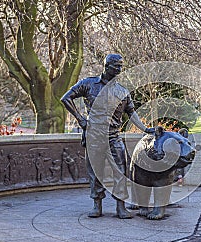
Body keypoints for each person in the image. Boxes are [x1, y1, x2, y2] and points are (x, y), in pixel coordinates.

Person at [61, 54, 154, 219]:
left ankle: (121, 207)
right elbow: (66, 98)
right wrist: (81, 119)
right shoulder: (88, 84)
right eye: (116, 66)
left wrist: (145, 129)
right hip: (94, 137)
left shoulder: (122, 91)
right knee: (95, 173)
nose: (119, 70)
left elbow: (131, 113)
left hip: (114, 137)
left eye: (121, 66)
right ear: (106, 66)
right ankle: (97, 205)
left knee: (120, 171)